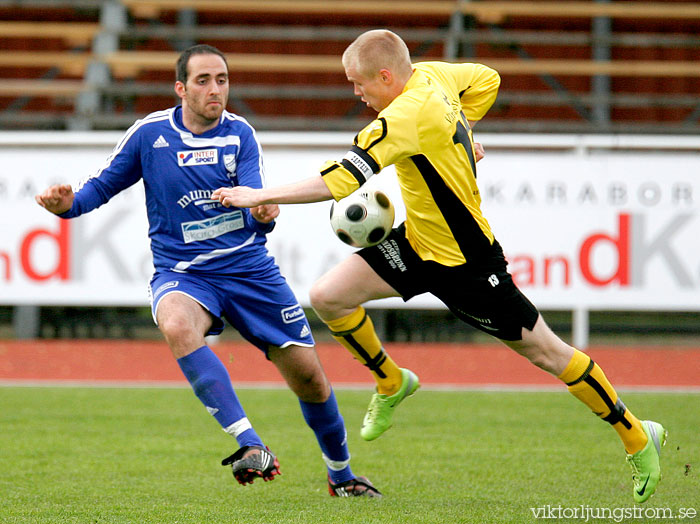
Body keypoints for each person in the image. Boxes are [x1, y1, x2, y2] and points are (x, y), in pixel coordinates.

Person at [212, 30, 667, 503]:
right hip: (417, 244)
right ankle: (392, 379)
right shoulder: (434, 75)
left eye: (359, 83)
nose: (356, 93)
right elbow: (487, 79)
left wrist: (260, 194)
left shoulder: (404, 116)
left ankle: (637, 434)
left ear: (386, 77)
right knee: (330, 296)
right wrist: (466, 128)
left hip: (467, 263)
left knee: (548, 353)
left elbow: (342, 180)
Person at [35, 44, 381, 498]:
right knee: (177, 323)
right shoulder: (150, 135)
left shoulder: (241, 134)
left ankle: (342, 476)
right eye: (203, 80)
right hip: (186, 274)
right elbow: (98, 189)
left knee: (311, 380)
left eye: (221, 79)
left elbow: (257, 201)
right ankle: (250, 443)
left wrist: (265, 211)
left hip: (250, 271)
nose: (215, 89)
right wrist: (66, 206)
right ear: (181, 89)